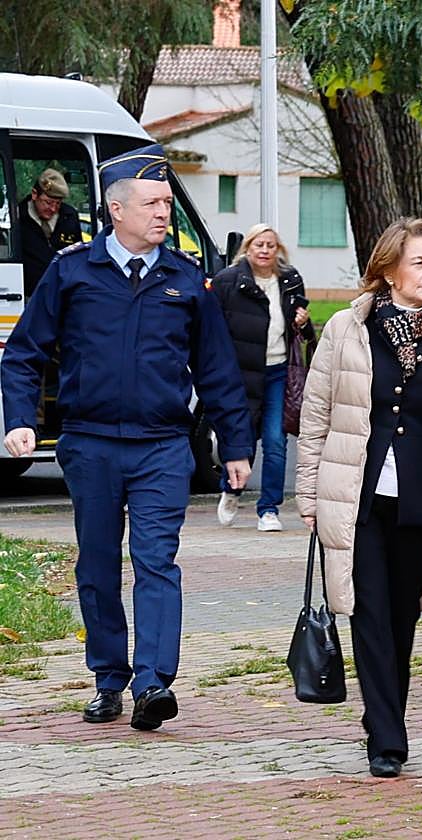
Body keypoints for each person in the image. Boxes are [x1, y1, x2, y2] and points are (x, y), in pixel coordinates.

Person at [1, 143, 253, 731]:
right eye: (153, 202)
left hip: (162, 446)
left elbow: (217, 370)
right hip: (89, 445)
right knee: (95, 565)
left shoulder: (186, 281)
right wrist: (19, 420)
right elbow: (22, 355)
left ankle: (153, 683)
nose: (164, 212)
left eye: (167, 201)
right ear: (116, 209)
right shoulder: (71, 273)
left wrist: (236, 446)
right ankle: (109, 679)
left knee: (157, 562)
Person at [295, 218, 422, 779]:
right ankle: (388, 735)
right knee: (369, 613)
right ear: (388, 270)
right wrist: (308, 493)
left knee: (402, 617)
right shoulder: (344, 330)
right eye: (420, 262)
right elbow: (315, 417)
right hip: (356, 499)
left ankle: (385, 716)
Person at [210, 224, 316, 532]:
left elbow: (303, 332)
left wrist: (303, 322)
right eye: (259, 244)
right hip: (240, 375)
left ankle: (268, 509)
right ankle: (231, 490)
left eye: (271, 245)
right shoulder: (228, 282)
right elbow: (212, 331)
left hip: (277, 372)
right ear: (247, 248)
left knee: (275, 440)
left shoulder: (290, 280)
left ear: (278, 249)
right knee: (242, 440)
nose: (265, 250)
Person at [18, 168, 83, 297]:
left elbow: (77, 255)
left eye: (58, 203)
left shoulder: (69, 216)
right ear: (34, 194)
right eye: (48, 202)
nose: (53, 208)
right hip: (28, 294)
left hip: (61, 292)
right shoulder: (18, 217)